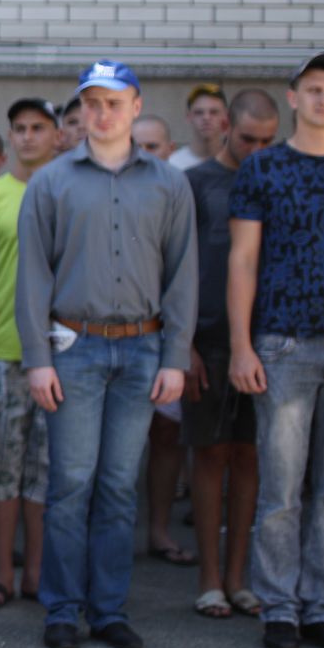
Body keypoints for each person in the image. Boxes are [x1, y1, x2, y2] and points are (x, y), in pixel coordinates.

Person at [19, 62, 195, 648]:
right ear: (81, 110)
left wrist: (175, 357)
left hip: (143, 349)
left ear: (136, 107)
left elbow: (182, 277)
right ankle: (63, 611)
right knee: (71, 483)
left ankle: (110, 609)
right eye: (92, 102)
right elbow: (33, 277)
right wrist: (38, 359)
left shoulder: (169, 184)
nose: (103, 113)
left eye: (114, 102)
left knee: (121, 485)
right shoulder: (51, 181)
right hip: (74, 349)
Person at [228, 53, 324, 648]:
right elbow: (243, 260)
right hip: (284, 344)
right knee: (280, 489)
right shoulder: (264, 169)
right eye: (313, 89)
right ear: (294, 98)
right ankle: (279, 607)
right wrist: (242, 344)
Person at [182, 89, 277, 620]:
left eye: (268, 141)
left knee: (250, 458)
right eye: (248, 139)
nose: (258, 150)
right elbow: (175, 268)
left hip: (269, 340)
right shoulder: (194, 184)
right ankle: (210, 578)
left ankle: (240, 577)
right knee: (209, 454)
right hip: (208, 339)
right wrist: (186, 344)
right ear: (225, 129)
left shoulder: (279, 180)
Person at [0, 100, 59, 610]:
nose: (27, 137)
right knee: (2, 467)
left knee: (44, 472)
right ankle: (2, 573)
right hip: (5, 352)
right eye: (18, 128)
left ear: (57, 134)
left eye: (37, 128)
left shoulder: (69, 187)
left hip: (62, 354)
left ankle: (37, 573)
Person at [131, 114, 195, 567]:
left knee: (166, 435)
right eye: (139, 145)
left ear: (170, 149)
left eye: (154, 146)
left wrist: (181, 344)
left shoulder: (175, 191)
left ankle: (157, 529)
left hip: (162, 335)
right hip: (117, 338)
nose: (145, 153)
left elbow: (182, 275)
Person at [181, 82, 228, 170]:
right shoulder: (174, 164)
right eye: (199, 112)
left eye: (214, 112)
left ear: (226, 116)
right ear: (188, 117)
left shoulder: (234, 163)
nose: (206, 118)